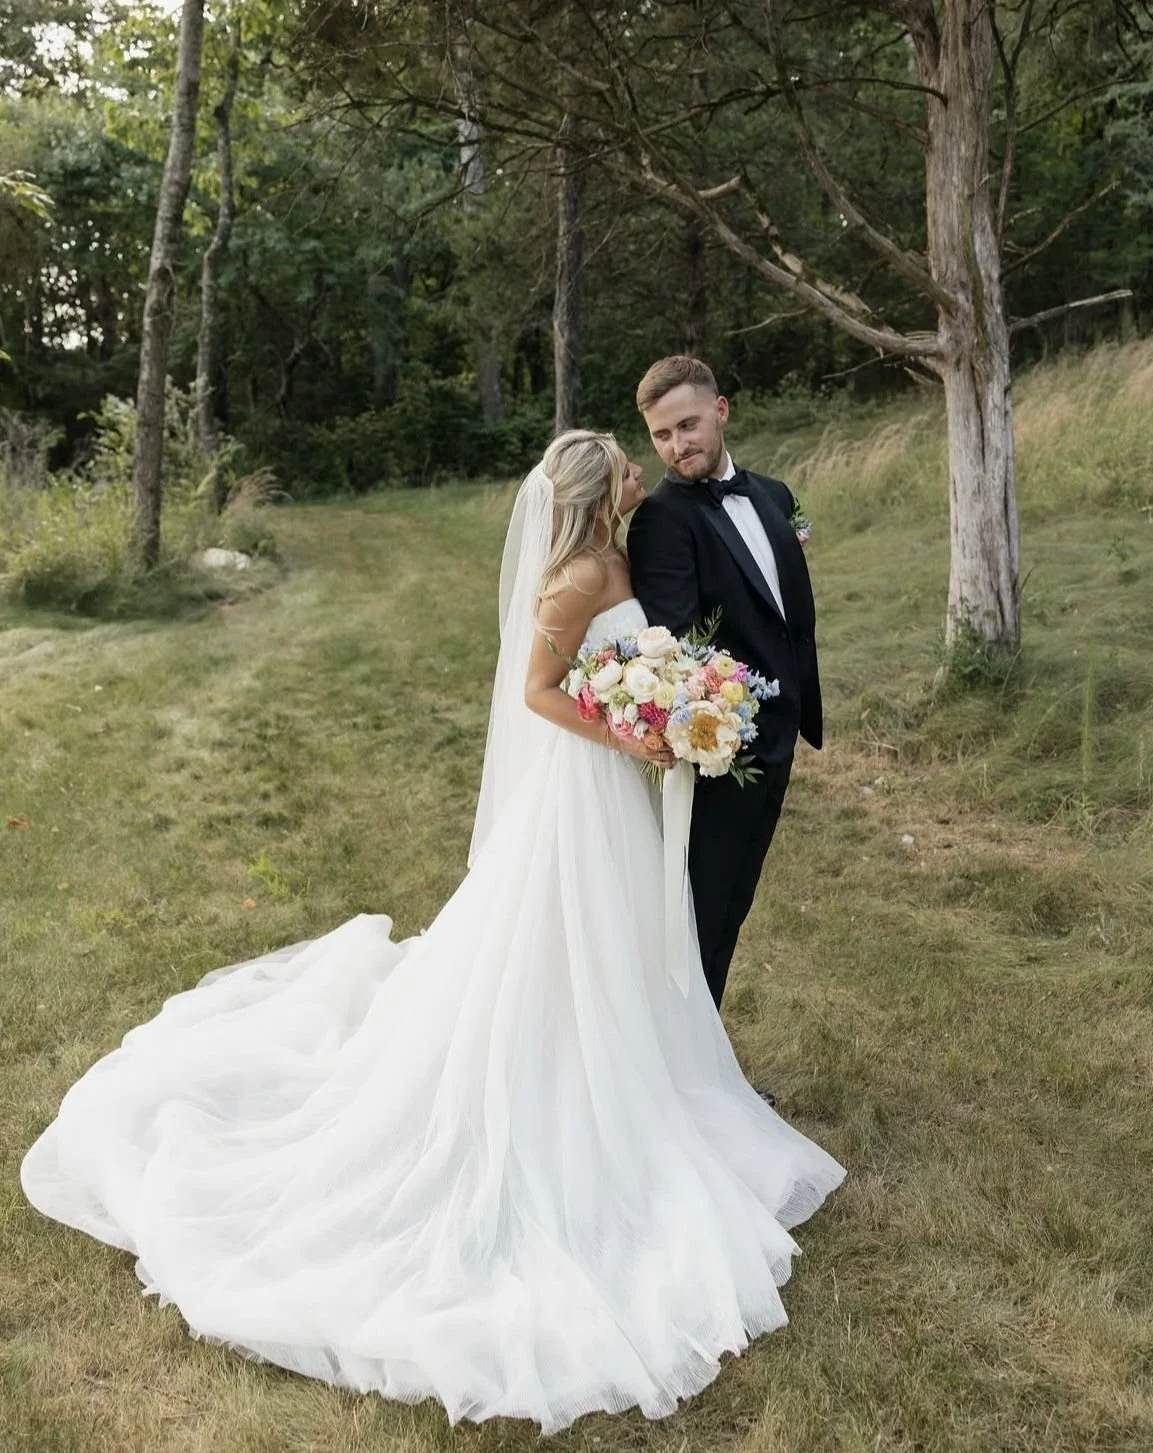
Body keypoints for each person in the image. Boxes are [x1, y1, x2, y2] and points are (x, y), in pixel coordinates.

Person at [21, 430, 844, 1435]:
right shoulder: (577, 576)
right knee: (558, 930)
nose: (643, 471)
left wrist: (669, 701)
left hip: (617, 787)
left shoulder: (618, 553)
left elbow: (629, 652)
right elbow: (539, 691)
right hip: (578, 789)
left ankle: (622, 1057)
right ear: (600, 492)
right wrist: (627, 729)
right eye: (627, 467)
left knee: (620, 933)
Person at [628, 358, 823, 1012]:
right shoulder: (660, 520)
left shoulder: (774, 494)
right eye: (660, 435)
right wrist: (725, 736)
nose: (676, 445)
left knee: (734, 906)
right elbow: (680, 649)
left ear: (721, 410)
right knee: (701, 916)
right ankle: (683, 1058)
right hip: (719, 754)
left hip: (781, 736)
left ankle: (700, 1051)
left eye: (687, 425)